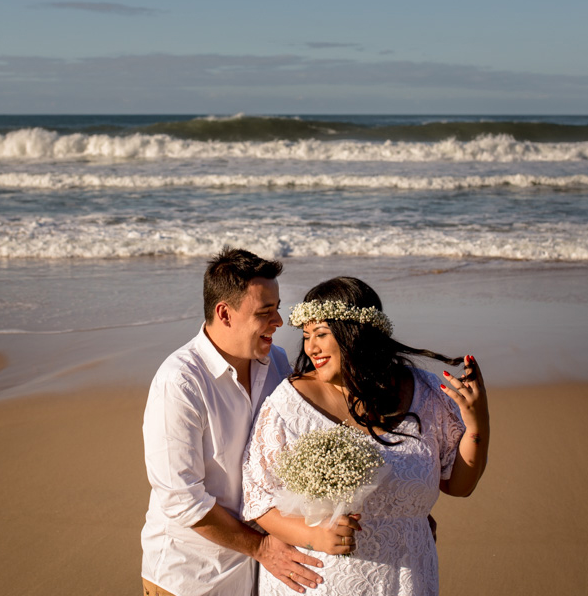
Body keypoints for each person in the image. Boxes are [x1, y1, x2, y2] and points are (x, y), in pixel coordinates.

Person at [241, 276, 489, 595]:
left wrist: (478, 425)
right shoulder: (288, 406)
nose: (311, 348)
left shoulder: (427, 393)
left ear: (355, 333)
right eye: (306, 336)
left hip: (408, 579)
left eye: (321, 334)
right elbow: (258, 502)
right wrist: (313, 536)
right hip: (319, 582)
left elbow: (459, 485)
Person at [141, 248, 325, 596]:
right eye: (264, 312)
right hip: (190, 578)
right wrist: (261, 547)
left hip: (259, 575)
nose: (279, 321)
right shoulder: (179, 383)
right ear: (224, 313)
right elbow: (181, 499)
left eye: (277, 308)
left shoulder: (277, 362)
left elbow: (308, 432)